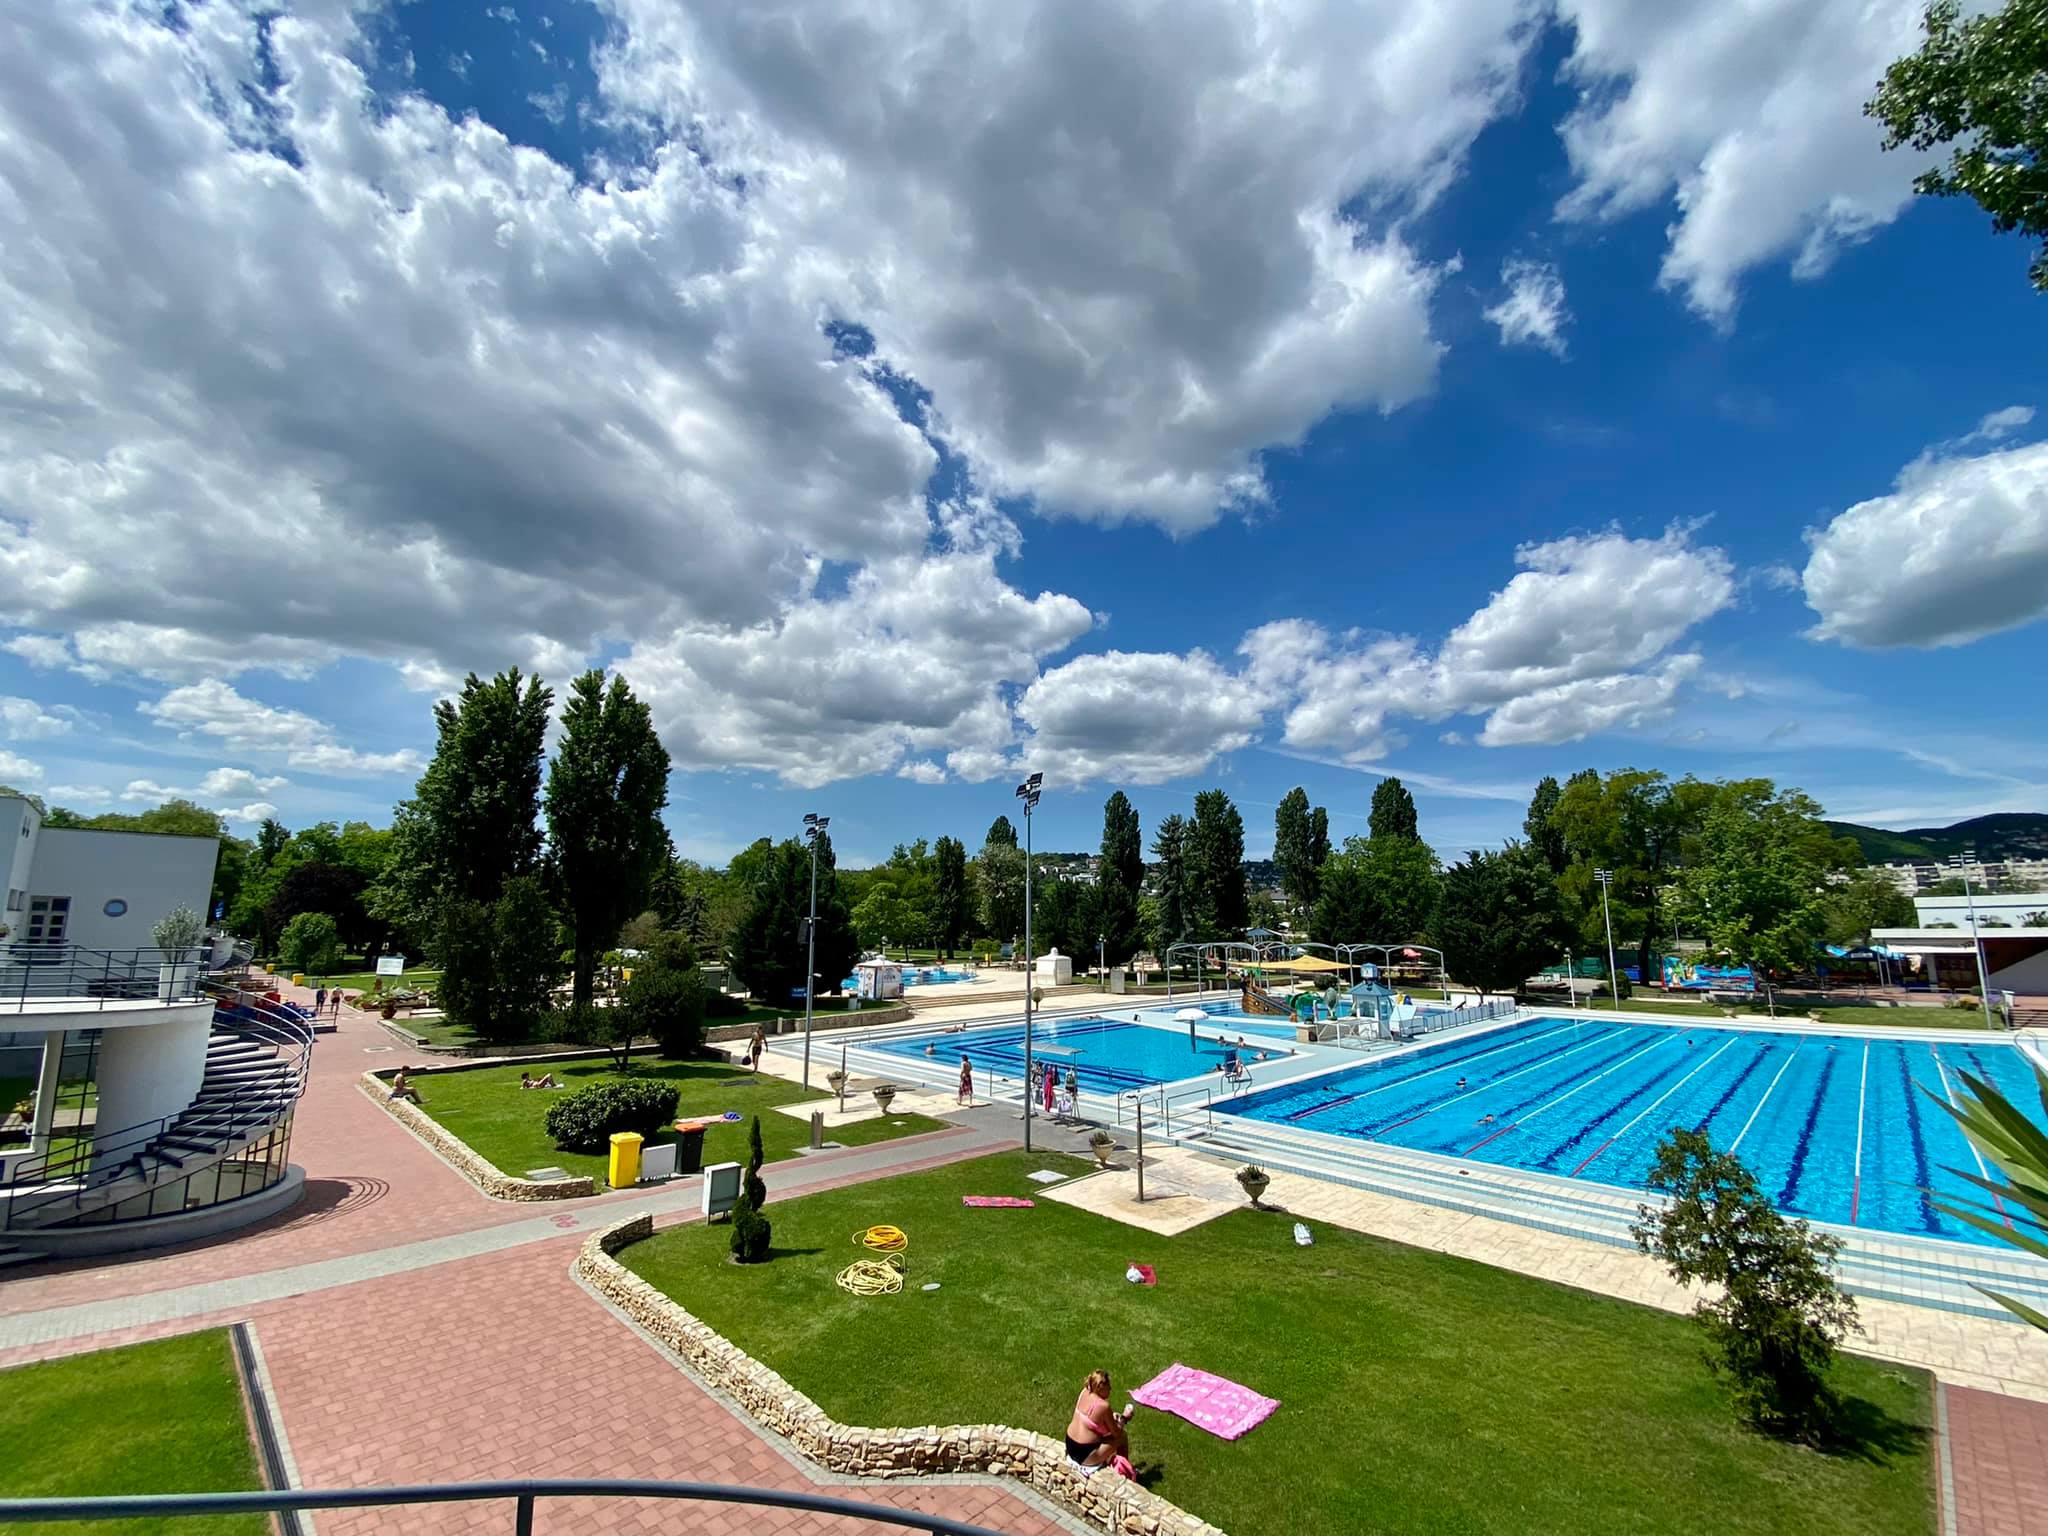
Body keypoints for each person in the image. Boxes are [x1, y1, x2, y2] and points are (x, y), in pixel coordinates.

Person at [1064, 1369, 1134, 1474]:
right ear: (1100, 1388)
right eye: (1108, 1387)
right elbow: (1116, 1433)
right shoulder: (1103, 1406)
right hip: (1085, 1454)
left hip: (1070, 1444)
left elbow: (1091, 1421)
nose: (1110, 1389)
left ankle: (1119, 1466)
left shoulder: (1084, 1392)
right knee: (1122, 1437)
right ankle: (1125, 1471)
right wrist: (1124, 1418)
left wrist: (1111, 1417)